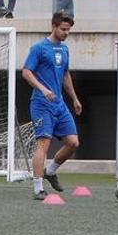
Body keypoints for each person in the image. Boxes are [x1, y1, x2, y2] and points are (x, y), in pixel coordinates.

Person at [22, 12, 82, 200]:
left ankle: (51, 171)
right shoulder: (39, 48)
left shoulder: (64, 50)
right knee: (43, 144)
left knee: (73, 143)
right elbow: (26, 72)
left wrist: (74, 98)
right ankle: (38, 188)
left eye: (68, 30)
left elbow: (65, 75)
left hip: (59, 104)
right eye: (63, 29)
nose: (66, 33)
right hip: (41, 104)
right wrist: (42, 89)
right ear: (54, 26)